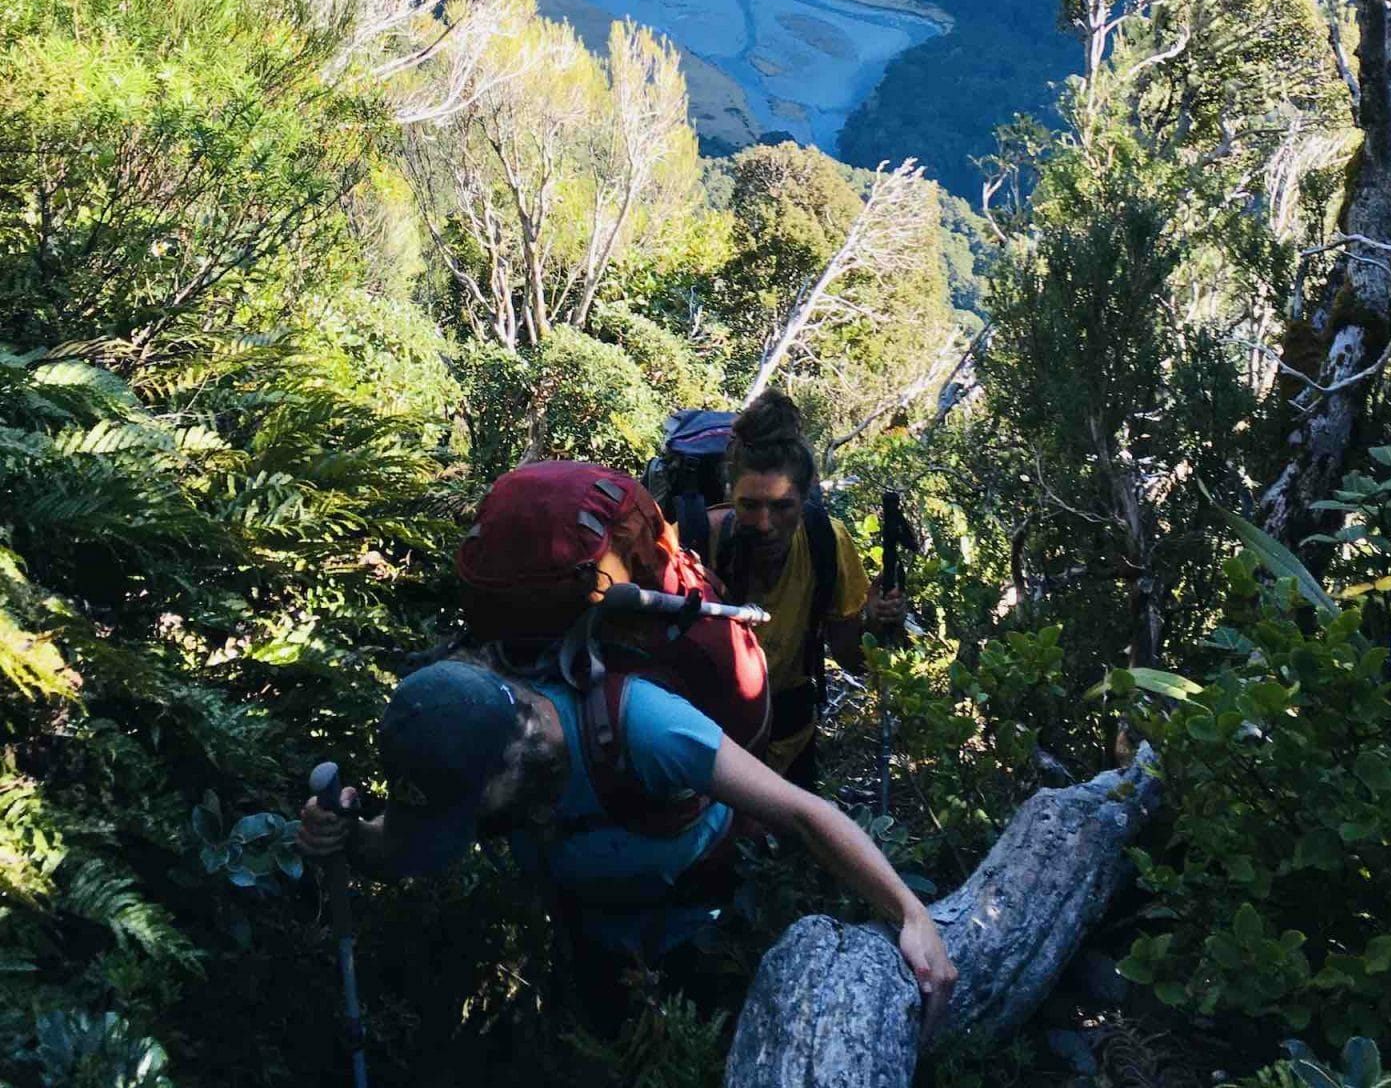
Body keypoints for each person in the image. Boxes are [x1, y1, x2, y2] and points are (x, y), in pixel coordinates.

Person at [297, 649, 957, 1031]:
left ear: (515, 753)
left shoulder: (646, 728)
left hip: (713, 931)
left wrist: (910, 912)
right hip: (596, 946)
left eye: (470, 810)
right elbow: (400, 849)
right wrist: (343, 836)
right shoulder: (457, 758)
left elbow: (803, 813)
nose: (467, 824)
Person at [709, 390, 906, 790]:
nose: (764, 523)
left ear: (805, 497)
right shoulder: (698, 542)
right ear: (730, 495)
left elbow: (852, 659)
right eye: (749, 505)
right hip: (711, 743)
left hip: (790, 739)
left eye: (782, 507)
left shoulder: (825, 543)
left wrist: (872, 619)